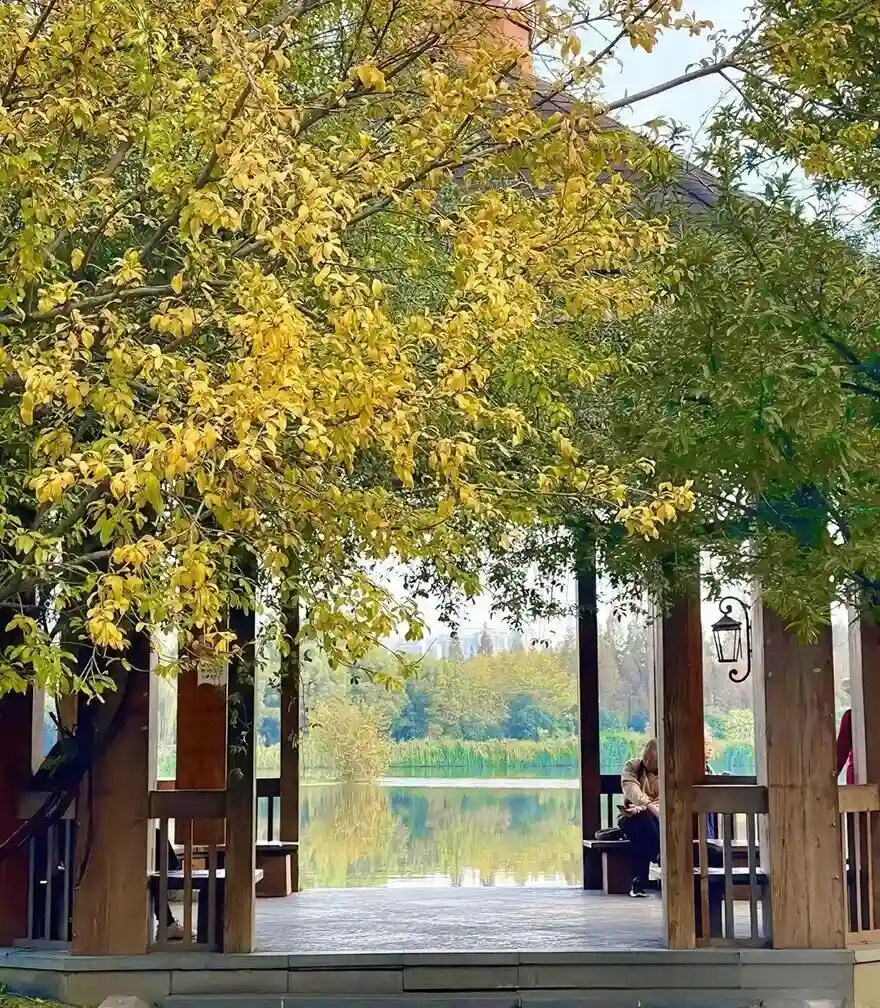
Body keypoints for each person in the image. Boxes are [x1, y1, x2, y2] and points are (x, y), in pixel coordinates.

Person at [618, 738, 660, 898]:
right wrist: (647, 806)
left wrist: (651, 808)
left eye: (653, 760)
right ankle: (657, 854)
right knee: (642, 820)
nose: (648, 762)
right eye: (646, 757)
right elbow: (631, 789)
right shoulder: (632, 766)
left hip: (657, 819)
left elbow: (670, 797)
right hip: (631, 815)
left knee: (643, 831)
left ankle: (638, 882)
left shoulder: (670, 770)